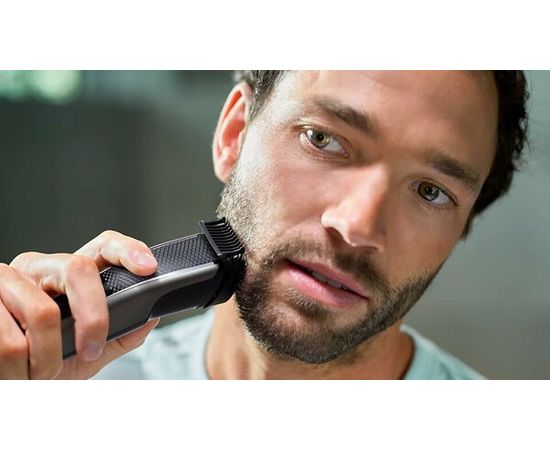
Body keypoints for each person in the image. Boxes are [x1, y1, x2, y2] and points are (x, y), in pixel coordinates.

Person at [0, 71, 529, 380]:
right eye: (323, 139)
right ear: (233, 135)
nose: (357, 225)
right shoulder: (71, 384)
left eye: (431, 191)